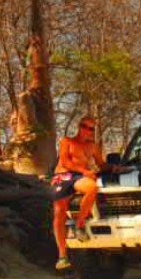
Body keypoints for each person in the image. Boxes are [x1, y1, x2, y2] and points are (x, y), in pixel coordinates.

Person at [49, 116, 121, 271]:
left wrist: (115, 168)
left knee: (92, 188)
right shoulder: (67, 141)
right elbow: (66, 162)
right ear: (79, 126)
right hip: (63, 175)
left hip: (80, 177)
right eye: (84, 126)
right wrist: (85, 171)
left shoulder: (93, 146)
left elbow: (101, 164)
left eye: (90, 128)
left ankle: (79, 224)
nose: (86, 130)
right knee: (60, 212)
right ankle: (62, 255)